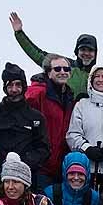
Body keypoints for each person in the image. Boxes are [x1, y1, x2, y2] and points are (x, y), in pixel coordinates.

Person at [0, 63, 49, 194]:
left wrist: (21, 163)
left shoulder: (36, 117)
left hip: (26, 182)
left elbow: (44, 149)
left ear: (24, 86)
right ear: (5, 88)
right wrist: (1, 164)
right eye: (10, 85)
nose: (14, 89)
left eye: (18, 85)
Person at [8, 11, 97, 97]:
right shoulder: (65, 65)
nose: (86, 53)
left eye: (90, 50)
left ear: (95, 53)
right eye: (83, 49)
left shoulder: (99, 74)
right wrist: (19, 33)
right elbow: (37, 55)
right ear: (77, 52)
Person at [25, 54, 76, 191]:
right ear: (48, 72)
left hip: (60, 167)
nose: (62, 72)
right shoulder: (36, 94)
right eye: (57, 69)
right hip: (40, 167)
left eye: (66, 69)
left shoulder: (69, 97)